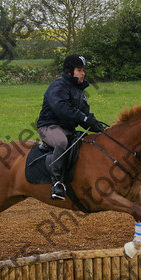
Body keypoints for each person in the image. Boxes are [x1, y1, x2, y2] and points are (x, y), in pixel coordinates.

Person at [37, 54, 105, 201]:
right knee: (62, 142)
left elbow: (84, 114)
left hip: (68, 128)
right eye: (79, 70)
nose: (83, 73)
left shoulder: (79, 90)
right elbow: (62, 108)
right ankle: (56, 184)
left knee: (88, 142)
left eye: (83, 70)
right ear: (69, 71)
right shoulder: (58, 86)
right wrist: (84, 118)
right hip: (49, 126)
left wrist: (98, 126)